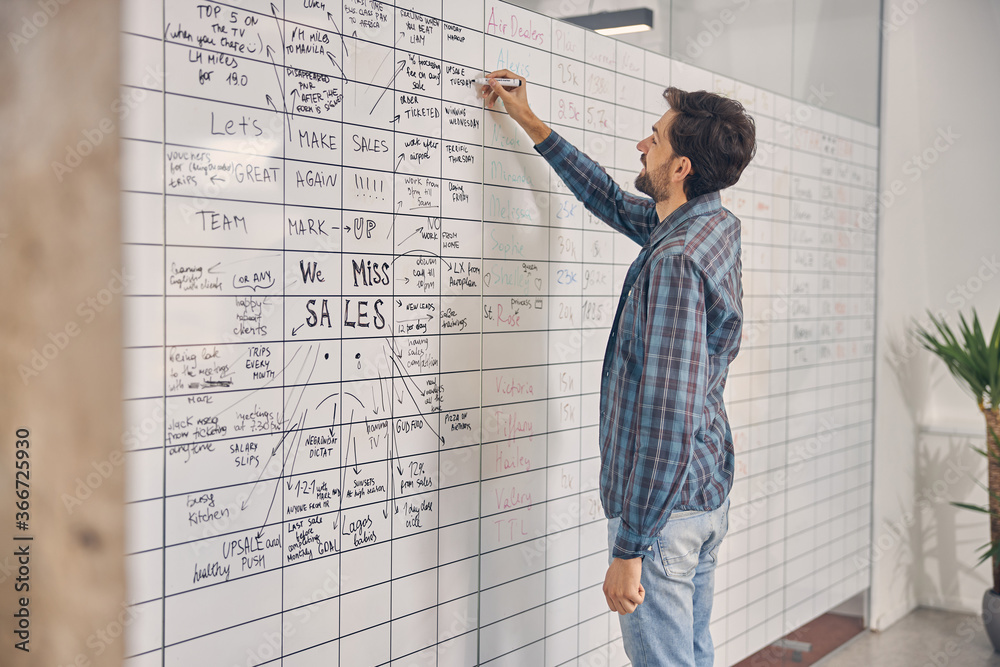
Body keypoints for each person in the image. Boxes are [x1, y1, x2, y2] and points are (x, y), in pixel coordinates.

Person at [481, 70, 756, 666]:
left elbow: (667, 413)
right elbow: (607, 197)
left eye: (654, 139)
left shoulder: (677, 262)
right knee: (693, 654)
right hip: (702, 495)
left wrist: (632, 548)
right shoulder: (710, 225)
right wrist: (529, 121)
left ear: (680, 166)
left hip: (664, 515)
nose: (642, 145)